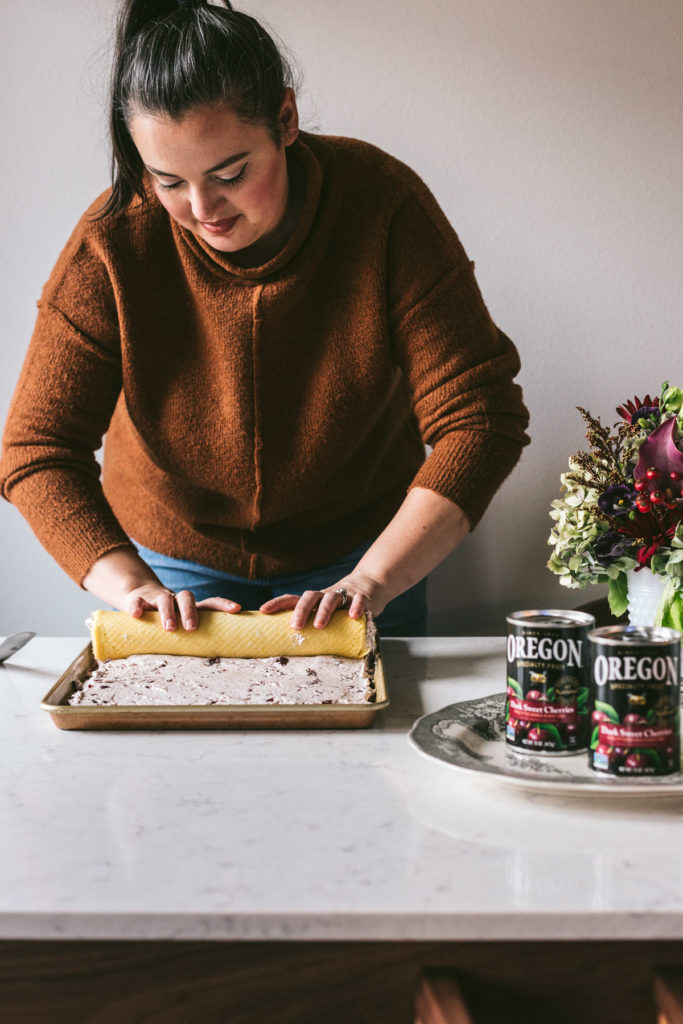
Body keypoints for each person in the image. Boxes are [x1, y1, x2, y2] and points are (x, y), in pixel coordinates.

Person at [0, 0, 529, 638]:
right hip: (173, 566)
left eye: (230, 173)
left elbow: (481, 417)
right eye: (167, 181)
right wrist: (132, 584)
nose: (202, 209)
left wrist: (371, 580)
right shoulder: (114, 241)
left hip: (366, 557)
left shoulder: (382, 203)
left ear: (285, 118)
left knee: (369, 739)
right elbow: (37, 449)